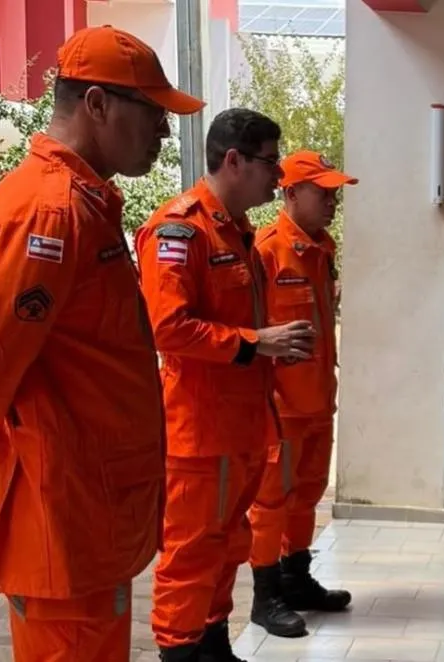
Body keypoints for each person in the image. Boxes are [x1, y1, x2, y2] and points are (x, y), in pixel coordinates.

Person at [0, 25, 203, 662]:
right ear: (97, 105)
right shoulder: (49, 213)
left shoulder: (80, 205)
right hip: (59, 506)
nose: (164, 133)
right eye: (151, 113)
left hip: (87, 503)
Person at [137, 108, 317, 662]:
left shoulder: (240, 234)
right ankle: (180, 650)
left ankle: (214, 644)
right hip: (199, 432)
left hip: (243, 426)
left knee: (229, 546)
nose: (278, 176)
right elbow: (168, 328)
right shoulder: (179, 230)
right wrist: (254, 341)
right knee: (190, 554)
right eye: (270, 162)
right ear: (233, 160)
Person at [246, 150, 356, 637]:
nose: (333, 201)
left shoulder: (322, 247)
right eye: (323, 192)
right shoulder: (266, 249)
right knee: (271, 503)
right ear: (290, 192)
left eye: (335, 193)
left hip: (316, 399)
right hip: (279, 406)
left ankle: (296, 578)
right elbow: (249, 331)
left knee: (308, 495)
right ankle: (264, 596)